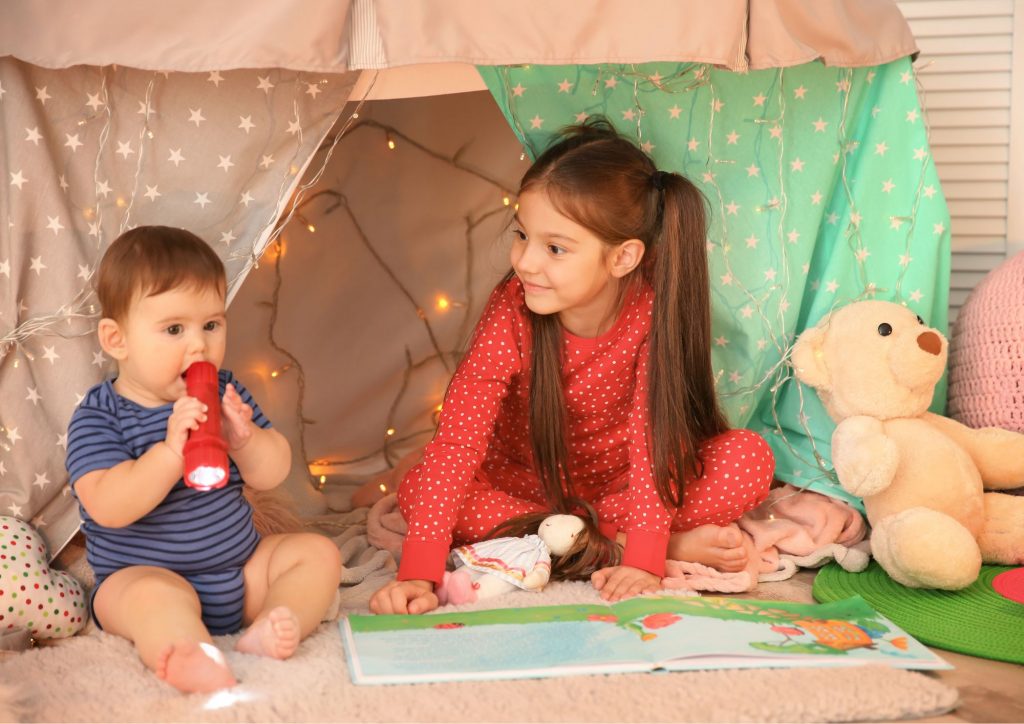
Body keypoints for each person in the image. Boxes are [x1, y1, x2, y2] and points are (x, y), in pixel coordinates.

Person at [369, 118, 774, 616]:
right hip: (526, 487)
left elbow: (656, 441)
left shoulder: (652, 311)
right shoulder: (512, 307)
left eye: (555, 248)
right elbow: (459, 439)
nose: (525, 262)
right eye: (522, 235)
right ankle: (622, 540)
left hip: (628, 488)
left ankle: (589, 536)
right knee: (419, 489)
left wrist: (644, 558)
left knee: (749, 459)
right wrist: (419, 572)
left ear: (623, 257)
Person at [66, 226, 342, 693]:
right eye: (174, 329)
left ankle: (276, 620)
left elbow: (274, 470)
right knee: (151, 599)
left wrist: (246, 440)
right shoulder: (99, 415)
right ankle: (191, 654)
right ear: (117, 340)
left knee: (316, 553)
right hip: (147, 577)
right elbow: (109, 506)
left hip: (240, 572)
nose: (199, 346)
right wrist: (171, 452)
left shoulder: (223, 391)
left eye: (211, 325)